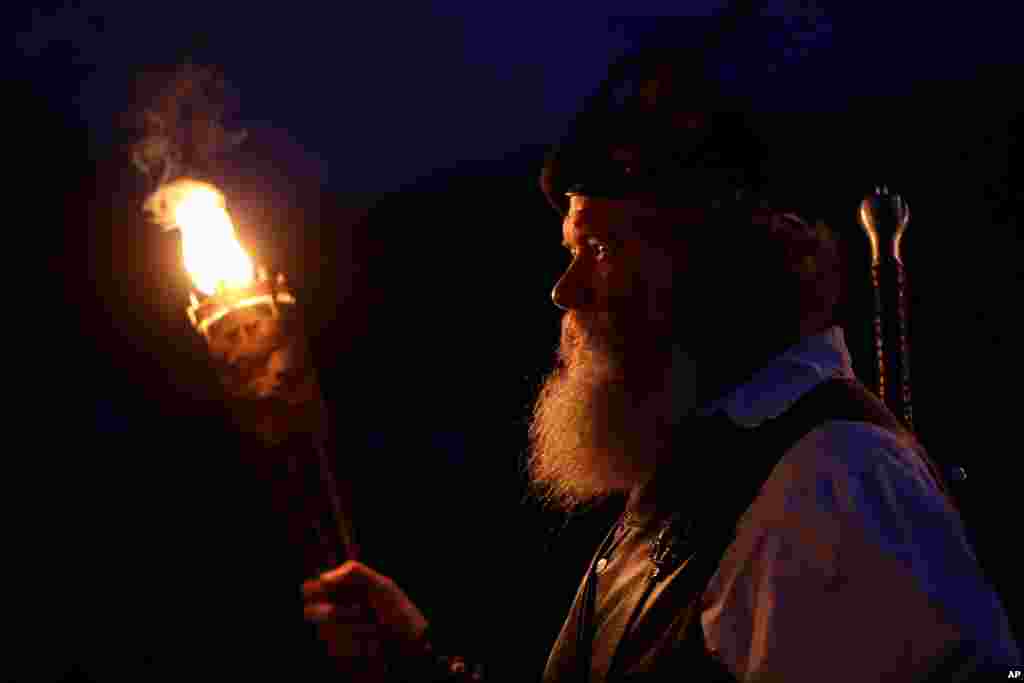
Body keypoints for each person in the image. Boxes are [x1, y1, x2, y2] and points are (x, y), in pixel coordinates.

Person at [301, 48, 1020, 681]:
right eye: (571, 251)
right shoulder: (710, 467)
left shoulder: (831, 483)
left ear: (711, 268)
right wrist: (417, 660)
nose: (564, 290)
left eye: (600, 248)